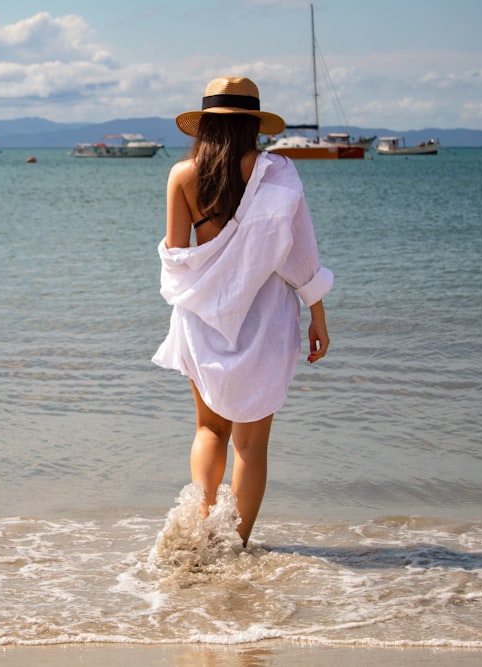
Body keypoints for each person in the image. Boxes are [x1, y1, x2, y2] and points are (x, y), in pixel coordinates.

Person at [152, 76, 333, 546]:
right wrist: (317, 313)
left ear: (206, 124)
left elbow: (177, 259)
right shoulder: (278, 172)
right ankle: (236, 545)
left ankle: (199, 527)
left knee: (209, 428)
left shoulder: (182, 175)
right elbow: (301, 254)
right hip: (266, 318)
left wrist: (209, 294)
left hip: (203, 315)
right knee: (251, 445)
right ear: (254, 124)